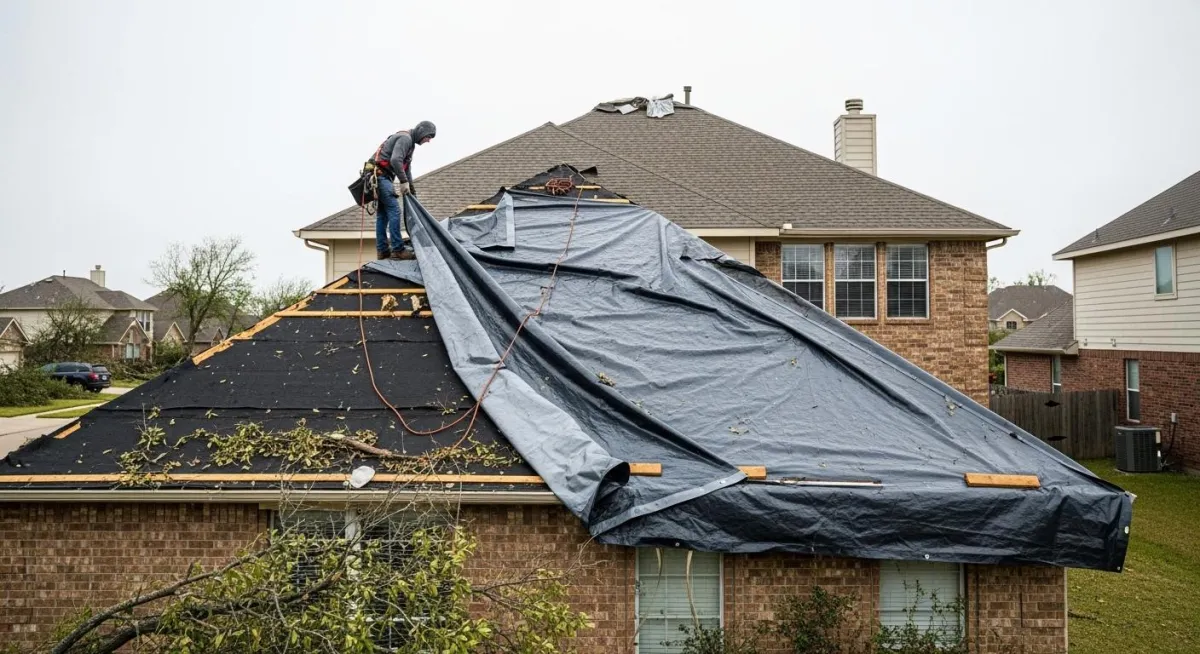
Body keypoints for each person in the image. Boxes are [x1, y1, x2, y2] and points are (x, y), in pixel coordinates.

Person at [369, 121, 436, 259]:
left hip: (381, 177)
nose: (428, 141)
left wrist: (411, 189)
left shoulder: (410, 144)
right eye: (428, 137)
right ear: (421, 131)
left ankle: (382, 250)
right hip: (380, 176)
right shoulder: (405, 139)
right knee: (394, 210)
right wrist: (403, 181)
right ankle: (398, 249)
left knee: (383, 214)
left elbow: (406, 169)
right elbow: (395, 160)